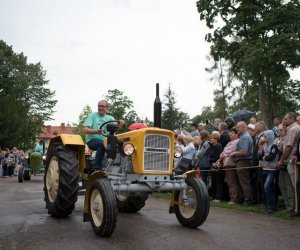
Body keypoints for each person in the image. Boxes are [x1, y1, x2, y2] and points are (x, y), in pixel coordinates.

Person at [83, 100, 125, 170]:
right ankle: (97, 168)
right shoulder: (92, 116)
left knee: (123, 145)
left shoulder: (110, 118)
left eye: (103, 106)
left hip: (107, 141)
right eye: (99, 106)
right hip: (92, 140)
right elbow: (85, 130)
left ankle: (122, 167)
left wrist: (121, 122)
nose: (101, 108)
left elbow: (120, 125)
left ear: (107, 108)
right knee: (102, 144)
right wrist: (96, 131)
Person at [277, 112, 300, 216]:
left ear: (292, 119)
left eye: (286, 119)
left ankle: (294, 209)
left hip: (291, 161)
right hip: (288, 160)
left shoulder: (293, 129)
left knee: (292, 186)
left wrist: (282, 160)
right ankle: (290, 207)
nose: (284, 121)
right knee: (285, 185)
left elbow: (289, 147)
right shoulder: (291, 129)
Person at [230, 121, 254, 206]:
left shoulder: (245, 137)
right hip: (242, 162)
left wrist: (234, 153)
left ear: (244, 127)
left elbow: (244, 152)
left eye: (238, 127)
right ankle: (245, 199)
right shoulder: (244, 136)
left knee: (244, 182)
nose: (236, 129)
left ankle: (248, 200)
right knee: (243, 182)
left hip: (243, 162)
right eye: (236, 127)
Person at [259, 130, 279, 213]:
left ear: (270, 136)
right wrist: (263, 156)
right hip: (265, 168)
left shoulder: (274, 146)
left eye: (265, 136)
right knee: (266, 188)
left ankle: (272, 205)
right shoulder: (265, 145)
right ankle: (268, 205)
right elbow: (261, 155)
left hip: (272, 169)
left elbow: (271, 157)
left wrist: (264, 157)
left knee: (267, 187)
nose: (264, 138)